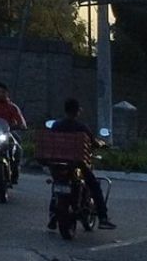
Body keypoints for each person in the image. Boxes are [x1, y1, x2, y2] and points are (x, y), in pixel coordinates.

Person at [50, 98, 117, 229]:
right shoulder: (81, 127)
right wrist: (102, 144)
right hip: (77, 164)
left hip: (58, 164)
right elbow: (93, 142)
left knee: (57, 185)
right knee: (94, 186)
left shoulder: (56, 126)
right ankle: (103, 218)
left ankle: (53, 215)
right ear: (77, 111)